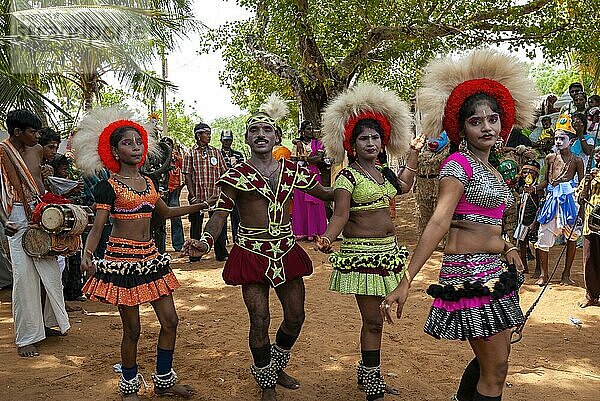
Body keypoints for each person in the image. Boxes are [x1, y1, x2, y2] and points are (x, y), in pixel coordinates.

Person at [382, 49, 536, 401]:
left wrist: (510, 246)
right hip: (469, 276)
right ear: (462, 127)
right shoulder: (457, 164)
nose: (487, 127)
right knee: (495, 370)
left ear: (502, 124)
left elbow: (493, 222)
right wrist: (407, 280)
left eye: (492, 119)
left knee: (496, 362)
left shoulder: (494, 170)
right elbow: (439, 222)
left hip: (496, 271)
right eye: (476, 121)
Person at [181, 96, 333, 401]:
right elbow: (220, 216)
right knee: (260, 319)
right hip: (251, 253)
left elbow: (328, 193)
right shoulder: (235, 177)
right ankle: (266, 382)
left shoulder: (293, 172)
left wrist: (352, 180)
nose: (261, 134)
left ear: (276, 136)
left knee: (295, 317)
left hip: (286, 251)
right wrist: (205, 242)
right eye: (254, 131)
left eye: (267, 129)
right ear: (246, 138)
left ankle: (275, 366)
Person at [72, 108, 214, 400]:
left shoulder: (149, 183)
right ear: (113, 150)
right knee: (133, 330)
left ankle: (164, 381)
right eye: (127, 143)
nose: (135, 147)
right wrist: (87, 254)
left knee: (170, 321)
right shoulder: (107, 187)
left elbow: (167, 212)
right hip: (122, 264)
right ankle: (129, 386)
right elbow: (98, 227)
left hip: (150, 259)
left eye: (139, 142)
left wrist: (201, 205)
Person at [316, 83, 422, 401]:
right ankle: (372, 383)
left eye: (375, 137)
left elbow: (403, 187)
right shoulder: (347, 178)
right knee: (374, 320)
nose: (371, 142)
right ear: (352, 144)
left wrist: (414, 152)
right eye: (364, 138)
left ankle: (368, 374)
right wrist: (326, 237)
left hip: (388, 255)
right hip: (361, 256)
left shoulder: (383, 171)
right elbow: (340, 215)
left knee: (378, 320)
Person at [0, 109, 70, 358]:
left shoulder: (38, 150)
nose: (38, 136)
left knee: (52, 269)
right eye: (33, 132)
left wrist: (48, 203)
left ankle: (47, 323)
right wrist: (5, 220)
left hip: (39, 215)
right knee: (24, 277)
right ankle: (26, 337)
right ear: (18, 132)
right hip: (15, 218)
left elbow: (40, 183)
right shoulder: (3, 152)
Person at [532, 115, 584, 286]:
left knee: (572, 236)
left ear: (572, 140)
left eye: (563, 138)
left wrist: (581, 209)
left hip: (569, 202)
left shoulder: (577, 160)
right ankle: (544, 275)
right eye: (556, 138)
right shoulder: (550, 158)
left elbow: (582, 185)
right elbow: (547, 181)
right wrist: (534, 188)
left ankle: (566, 274)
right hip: (551, 201)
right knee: (543, 236)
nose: (559, 141)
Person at [182, 122, 228, 261]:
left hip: (215, 195)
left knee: (219, 223)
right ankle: (195, 254)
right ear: (198, 135)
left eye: (209, 133)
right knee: (196, 224)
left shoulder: (215, 152)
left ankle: (221, 253)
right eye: (206, 133)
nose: (209, 136)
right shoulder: (190, 153)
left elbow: (224, 171)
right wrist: (192, 195)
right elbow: (187, 175)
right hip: (198, 196)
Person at [291, 120, 327, 241]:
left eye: (312, 129)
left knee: (315, 201)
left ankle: (316, 231)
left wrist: (304, 159)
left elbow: (318, 158)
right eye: (308, 129)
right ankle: (303, 232)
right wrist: (297, 143)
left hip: (313, 174)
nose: (311, 131)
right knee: (301, 202)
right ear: (302, 131)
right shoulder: (297, 144)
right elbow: (293, 161)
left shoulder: (318, 143)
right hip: (300, 176)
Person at [577, 147, 600, 307]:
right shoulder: (588, 177)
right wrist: (586, 184)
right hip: (590, 224)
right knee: (589, 260)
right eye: (596, 157)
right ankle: (591, 295)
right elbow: (580, 199)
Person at [220, 129, 245, 243]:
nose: (227, 143)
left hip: (236, 190)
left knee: (236, 217)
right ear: (221, 140)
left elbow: (242, 170)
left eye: (229, 140)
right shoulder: (217, 154)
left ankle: (237, 239)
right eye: (225, 140)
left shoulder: (238, 155)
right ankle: (223, 239)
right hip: (222, 190)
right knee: (222, 215)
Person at [162, 137, 185, 252]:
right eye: (164, 144)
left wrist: (180, 187)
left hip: (174, 190)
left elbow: (185, 171)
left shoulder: (177, 159)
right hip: (162, 192)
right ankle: (160, 246)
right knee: (160, 219)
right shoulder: (159, 159)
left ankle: (179, 245)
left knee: (176, 217)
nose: (167, 146)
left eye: (169, 144)